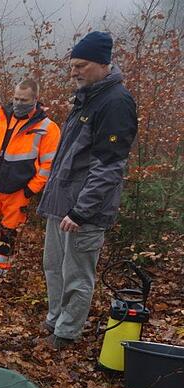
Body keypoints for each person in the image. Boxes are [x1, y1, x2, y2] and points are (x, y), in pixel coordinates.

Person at [37, 31, 138, 349]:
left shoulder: (116, 103)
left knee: (76, 276)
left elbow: (109, 166)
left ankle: (66, 335)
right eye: (72, 66)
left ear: (103, 64)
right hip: (61, 204)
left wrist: (82, 210)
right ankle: (55, 321)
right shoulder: (87, 99)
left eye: (81, 65)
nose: (74, 71)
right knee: (53, 268)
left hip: (84, 212)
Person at [0, 79, 61, 276]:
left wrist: (31, 189)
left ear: (35, 99)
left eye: (24, 99)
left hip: (19, 192)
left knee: (8, 235)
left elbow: (49, 165)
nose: (19, 103)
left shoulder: (47, 128)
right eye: (16, 98)